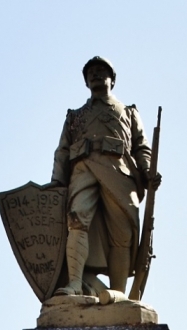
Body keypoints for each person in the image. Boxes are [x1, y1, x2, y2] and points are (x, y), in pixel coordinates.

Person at [52, 56, 159, 297]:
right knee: (77, 220)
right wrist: (57, 183)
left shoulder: (128, 112)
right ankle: (75, 284)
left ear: (113, 79)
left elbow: (141, 147)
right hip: (83, 170)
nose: (96, 74)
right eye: (91, 72)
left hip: (119, 172)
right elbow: (62, 151)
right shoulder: (75, 116)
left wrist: (147, 171)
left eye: (102, 71)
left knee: (122, 232)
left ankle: (118, 293)